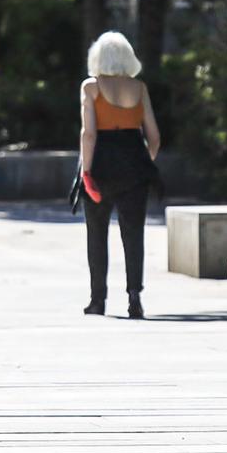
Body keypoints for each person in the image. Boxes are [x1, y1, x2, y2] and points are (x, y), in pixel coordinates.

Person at [77, 32, 161, 318]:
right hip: (134, 164)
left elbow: (88, 134)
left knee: (97, 234)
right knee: (134, 233)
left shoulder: (91, 87)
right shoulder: (139, 88)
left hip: (100, 164)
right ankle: (134, 296)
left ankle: (97, 300)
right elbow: (155, 137)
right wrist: (142, 163)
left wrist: (86, 171)